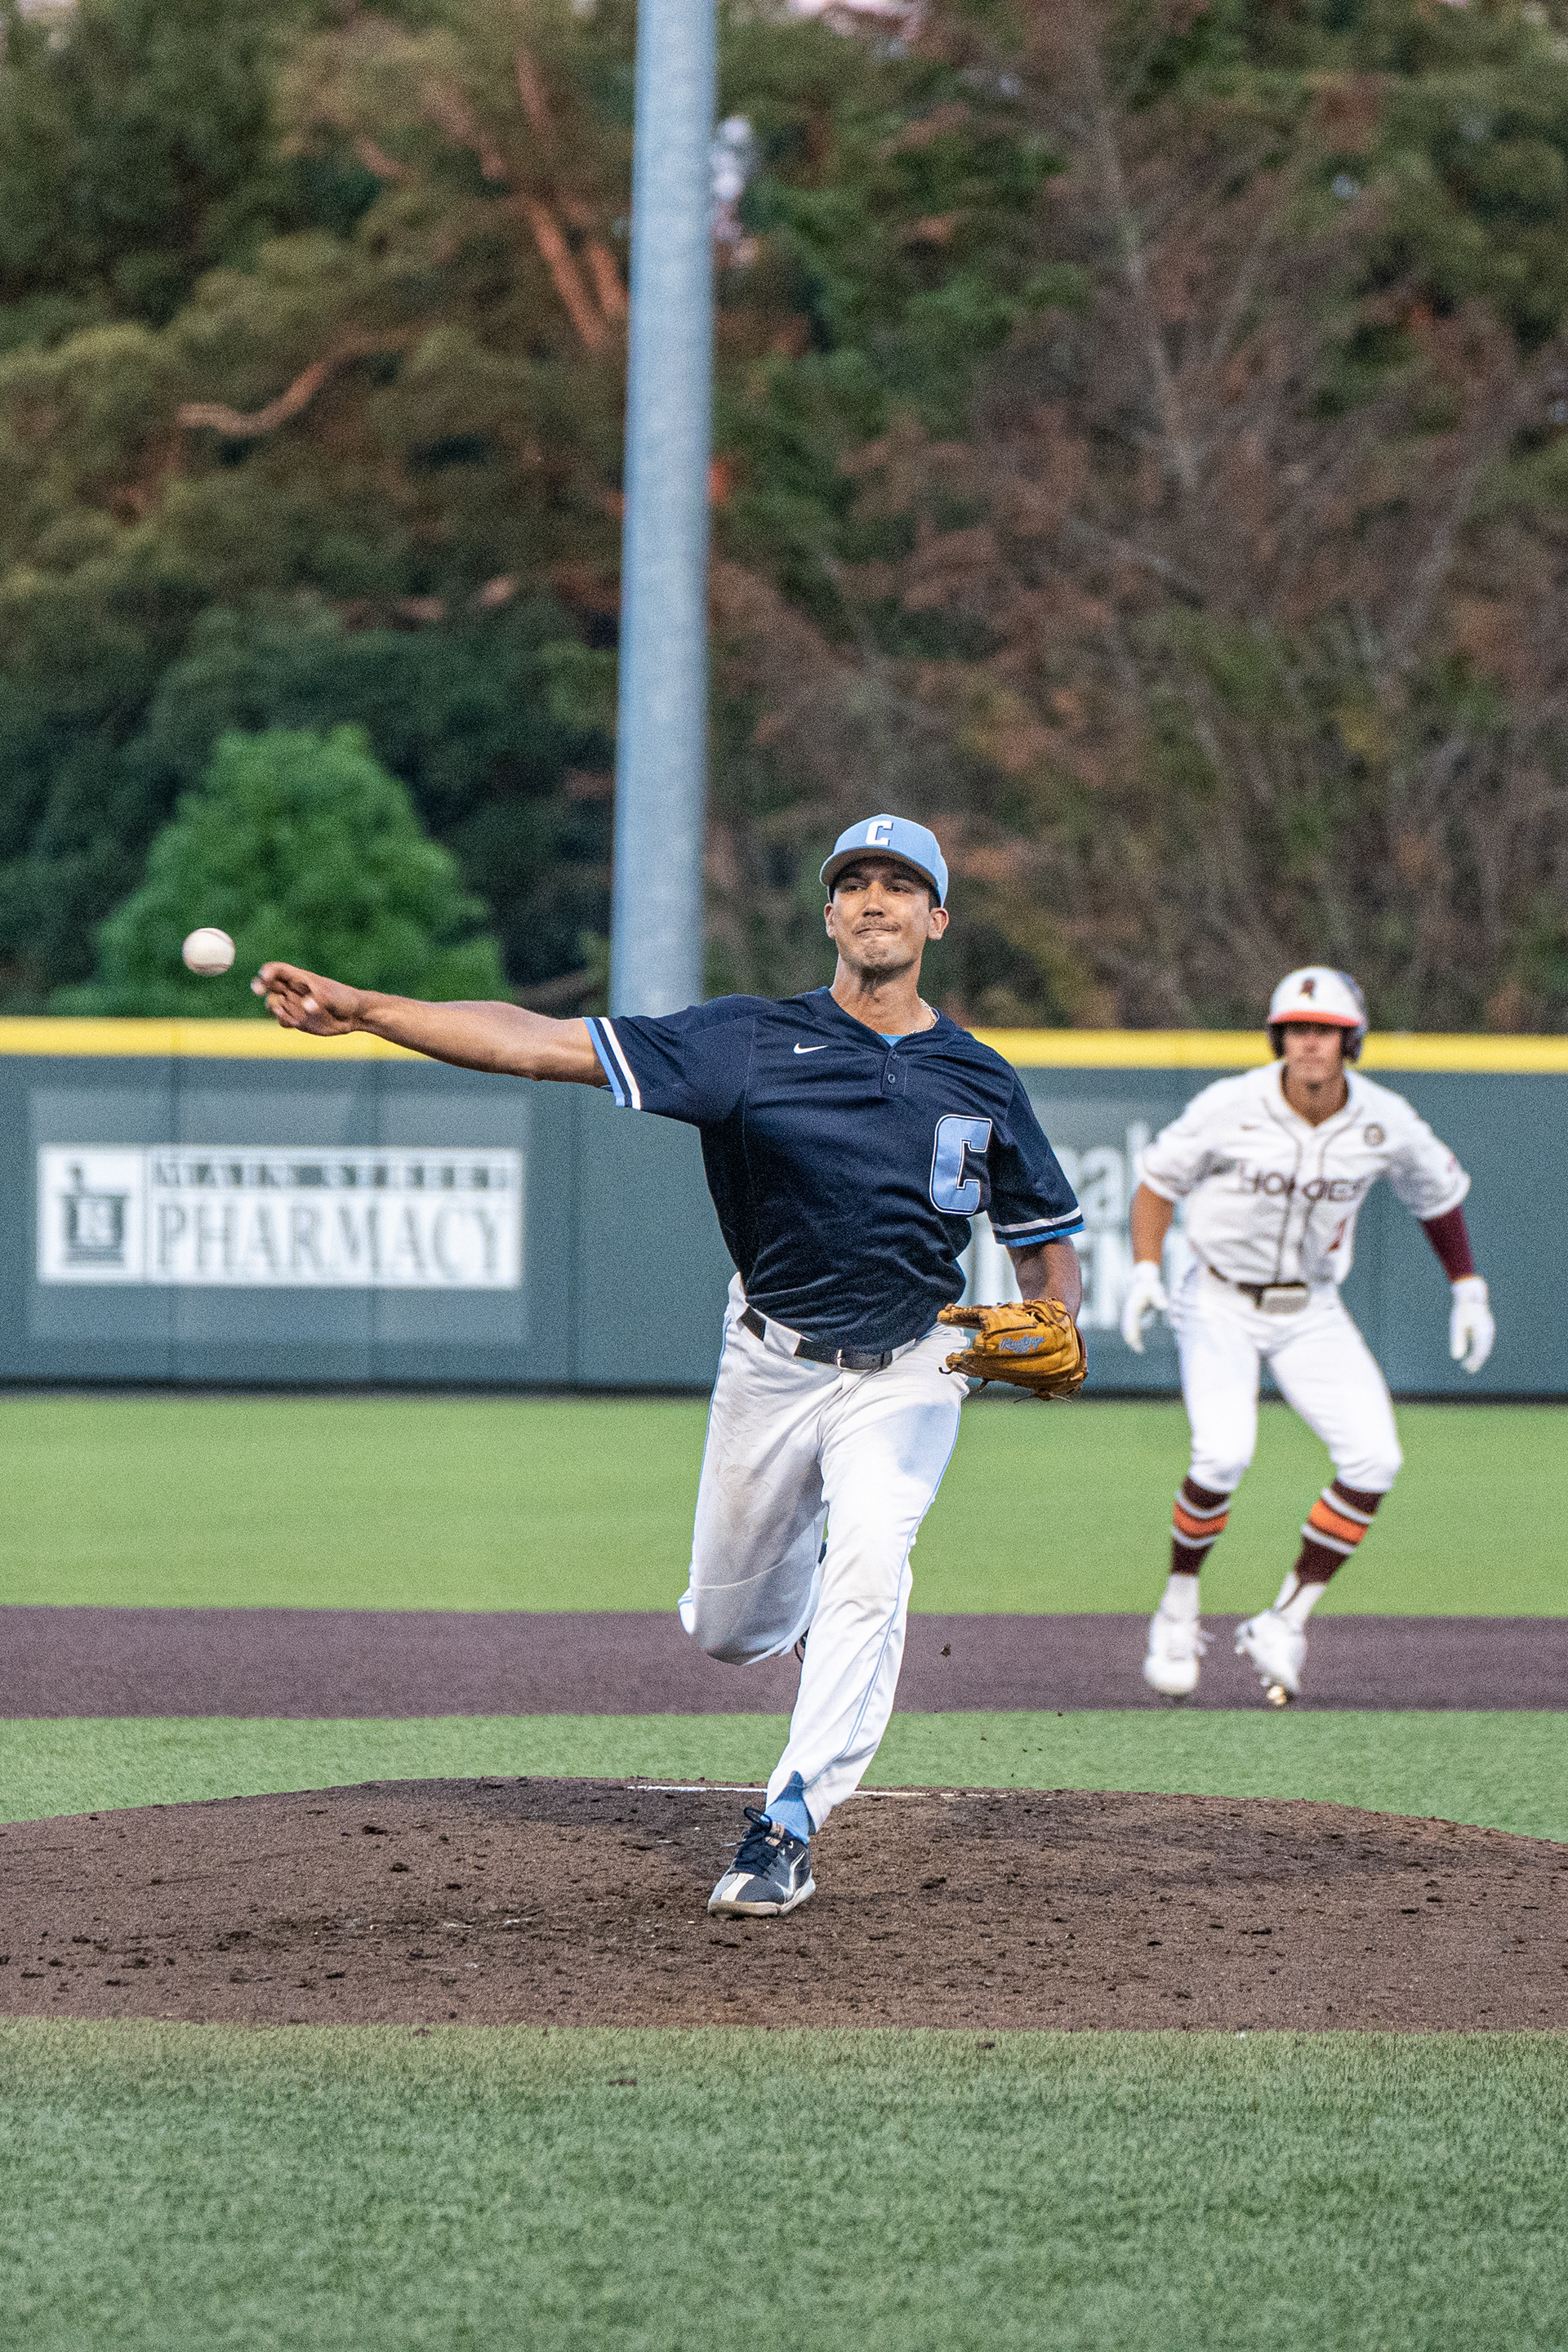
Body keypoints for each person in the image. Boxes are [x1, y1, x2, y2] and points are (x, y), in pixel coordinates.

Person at [255, 814, 1085, 1913]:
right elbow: (535, 1041)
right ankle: (828, 1586)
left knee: (876, 1565)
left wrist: (1057, 1314)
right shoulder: (746, 1040)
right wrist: (368, 1012)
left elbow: (1043, 1235)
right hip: (772, 1361)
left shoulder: (980, 1078)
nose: (877, 899)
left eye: (901, 884)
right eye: (856, 883)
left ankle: (789, 1819)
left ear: (936, 916)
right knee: (728, 1631)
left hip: (916, 1363)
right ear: (830, 914)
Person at [1120, 966, 1494, 1705]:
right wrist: (1143, 1270)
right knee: (1223, 1453)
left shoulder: (1384, 1119)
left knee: (1376, 1459)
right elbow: (1158, 1183)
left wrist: (1468, 1286)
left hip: (1312, 1310)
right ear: (1277, 1036)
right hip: (1218, 1296)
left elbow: (1438, 1196)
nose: (1308, 1043)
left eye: (1322, 1030)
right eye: (1296, 1028)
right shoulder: (1233, 1104)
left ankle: (1285, 1619)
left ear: (1349, 1040)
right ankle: (1178, 1607)